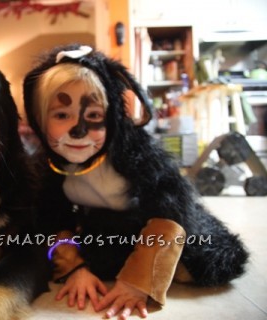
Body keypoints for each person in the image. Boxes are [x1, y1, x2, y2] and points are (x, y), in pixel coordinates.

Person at [23, 44, 249, 319]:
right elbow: (54, 220)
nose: (79, 129)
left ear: (113, 116)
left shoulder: (137, 156)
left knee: (205, 262)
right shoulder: (49, 168)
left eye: (94, 115)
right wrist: (73, 268)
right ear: (39, 120)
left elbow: (171, 214)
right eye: (61, 115)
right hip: (107, 228)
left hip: (160, 227)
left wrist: (139, 280)